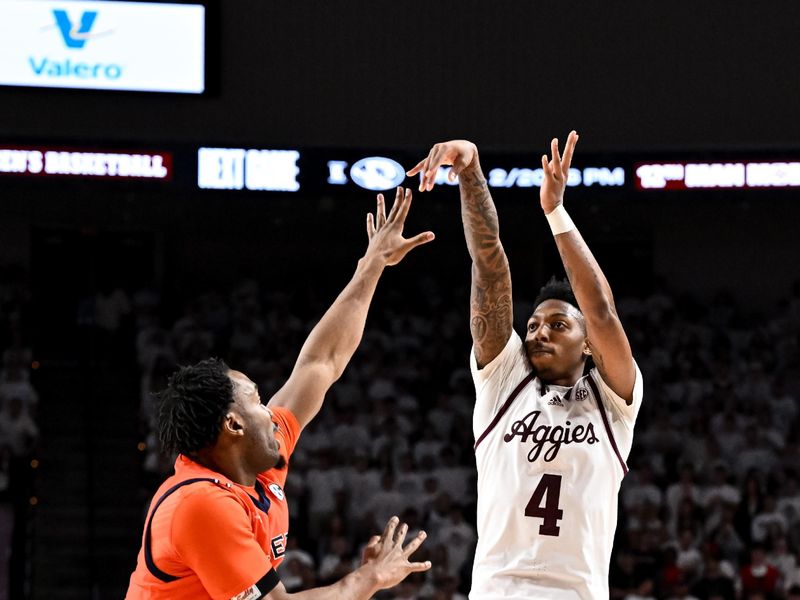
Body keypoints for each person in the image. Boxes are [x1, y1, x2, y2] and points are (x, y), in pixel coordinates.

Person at [126, 188, 434, 599]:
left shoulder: (257, 462)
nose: (270, 411)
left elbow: (322, 362)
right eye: (255, 400)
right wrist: (370, 578)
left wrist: (371, 266)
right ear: (232, 425)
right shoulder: (202, 504)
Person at [408, 132, 643, 599]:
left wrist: (555, 212)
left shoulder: (614, 399)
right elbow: (489, 262)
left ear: (589, 346)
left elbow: (601, 312)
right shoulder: (504, 381)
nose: (538, 332)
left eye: (558, 325)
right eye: (534, 324)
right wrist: (471, 171)